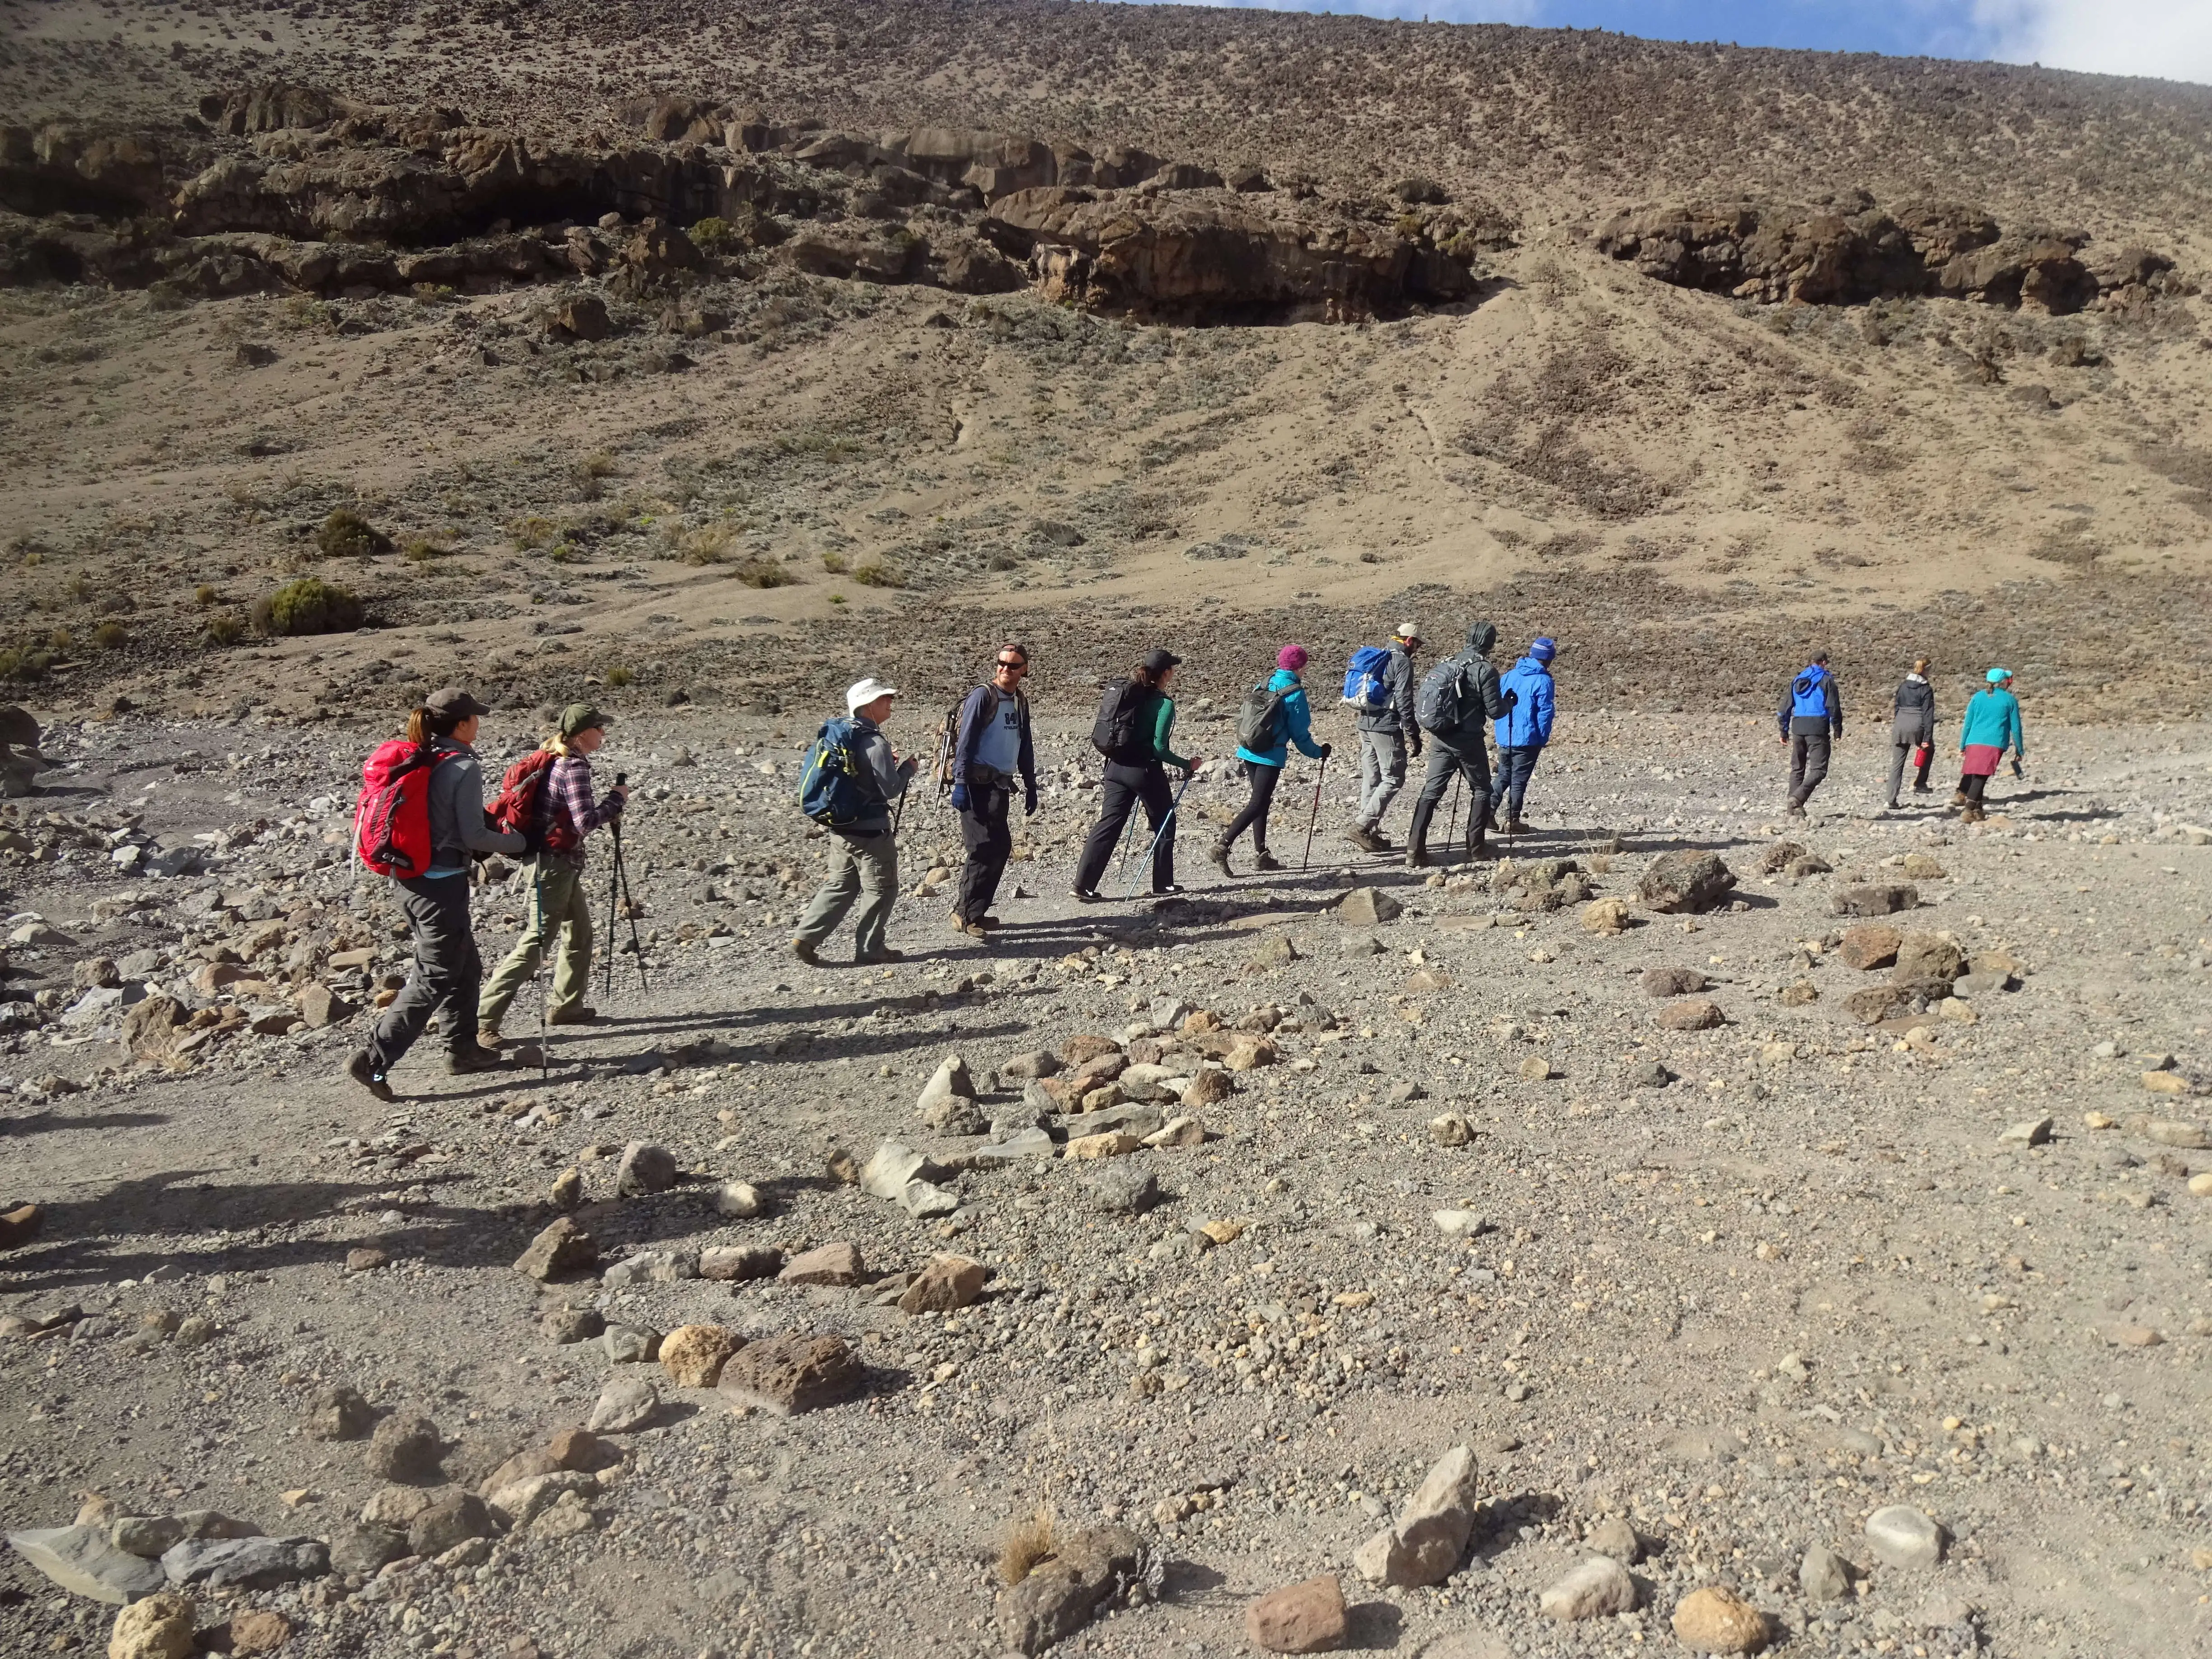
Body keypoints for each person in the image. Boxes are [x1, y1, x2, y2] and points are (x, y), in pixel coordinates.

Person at [348, 688, 524, 1101]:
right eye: (474, 718)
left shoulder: (424, 758)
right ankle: (373, 1059)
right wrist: (520, 842)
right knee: (436, 973)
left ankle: (462, 1050)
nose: (479, 723)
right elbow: (474, 834)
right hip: (440, 884)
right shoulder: (461, 765)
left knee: (464, 964)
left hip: (410, 880)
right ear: (462, 725)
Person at [475, 703, 630, 1045]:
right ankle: (483, 1020)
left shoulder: (555, 759)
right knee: (537, 941)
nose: (603, 733)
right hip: (553, 865)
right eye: (599, 728)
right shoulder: (573, 767)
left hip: (559, 862)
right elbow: (585, 821)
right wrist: (616, 801)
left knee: (579, 934)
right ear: (581, 734)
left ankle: (567, 1006)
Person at [793, 678, 919, 965]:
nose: (890, 703)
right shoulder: (874, 741)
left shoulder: (845, 735)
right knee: (882, 889)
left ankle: (805, 937)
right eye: (884, 699)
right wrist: (907, 769)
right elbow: (891, 789)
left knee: (840, 884)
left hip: (840, 828)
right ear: (868, 706)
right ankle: (871, 949)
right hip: (870, 832)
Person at [1073, 648, 1199, 900]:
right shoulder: (1164, 704)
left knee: (1109, 824)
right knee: (1165, 824)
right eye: (1172, 669)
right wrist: (1188, 764)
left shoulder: (1130, 695)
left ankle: (1082, 886)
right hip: (1144, 771)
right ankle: (1163, 885)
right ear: (1166, 673)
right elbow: (1160, 749)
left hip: (1115, 768)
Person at [1212, 645, 1331, 876]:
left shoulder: (1265, 682)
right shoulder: (1295, 693)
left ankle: (1261, 855)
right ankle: (1222, 846)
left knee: (1262, 802)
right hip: (1270, 755)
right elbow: (1300, 735)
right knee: (1258, 802)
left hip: (1248, 750)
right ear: (1300, 667)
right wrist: (1319, 752)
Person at [947, 644, 1039, 939]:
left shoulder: (1019, 702)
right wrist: (960, 783)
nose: (1005, 669)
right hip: (976, 784)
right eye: (1001, 663)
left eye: (1013, 666)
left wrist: (1030, 783)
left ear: (1024, 669)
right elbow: (966, 742)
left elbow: (1024, 744)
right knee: (983, 847)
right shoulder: (983, 696)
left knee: (999, 847)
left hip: (999, 785)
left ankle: (977, 911)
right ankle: (964, 914)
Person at [1405, 622, 1511, 867]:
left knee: (1430, 793)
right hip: (1468, 741)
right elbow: (1495, 711)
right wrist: (1510, 703)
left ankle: (1414, 851)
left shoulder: (1448, 662)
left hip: (1441, 737)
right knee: (1482, 790)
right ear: (1489, 643)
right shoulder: (1485, 669)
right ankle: (1476, 848)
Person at [1347, 622, 1423, 853]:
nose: (1418, 650)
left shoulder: (1379, 657)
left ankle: (1368, 831)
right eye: (1418, 644)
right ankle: (1361, 827)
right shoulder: (1402, 662)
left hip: (1364, 723)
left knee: (1372, 777)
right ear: (1409, 641)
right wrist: (1413, 733)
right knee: (1393, 778)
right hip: (1386, 727)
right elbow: (1404, 700)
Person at [1490, 636, 1557, 834]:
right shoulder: (1544, 681)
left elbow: (1498, 702)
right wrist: (1543, 738)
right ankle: (1512, 820)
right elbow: (1545, 713)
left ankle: (1488, 811)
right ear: (1548, 659)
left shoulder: (1510, 675)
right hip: (1528, 739)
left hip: (1505, 736)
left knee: (1503, 775)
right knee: (1519, 780)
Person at [1778, 651, 1843, 818]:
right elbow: (1833, 706)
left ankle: (1793, 810)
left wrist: (1783, 730)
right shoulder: (1827, 680)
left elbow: (1785, 707)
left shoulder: (1797, 679)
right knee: (1819, 770)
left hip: (1798, 726)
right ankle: (1797, 799)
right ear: (1823, 663)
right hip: (1817, 727)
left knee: (1798, 768)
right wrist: (1837, 729)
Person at [1955, 667, 2025, 824]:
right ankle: (1968, 810)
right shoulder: (2010, 700)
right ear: (2003, 682)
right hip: (1994, 742)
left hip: (1973, 740)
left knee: (1975, 774)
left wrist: (1963, 744)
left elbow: (1968, 724)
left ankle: (1978, 810)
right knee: (1981, 776)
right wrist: (2020, 749)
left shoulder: (1978, 697)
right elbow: (2016, 727)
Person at [1885, 657, 1937, 810]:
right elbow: (1928, 714)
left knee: (1897, 764)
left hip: (1901, 724)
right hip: (1918, 724)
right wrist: (1927, 737)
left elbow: (1897, 706)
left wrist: (1899, 721)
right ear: (1926, 669)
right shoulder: (1926, 689)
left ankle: (1890, 799)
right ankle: (1920, 783)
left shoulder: (1903, 686)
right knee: (1930, 749)